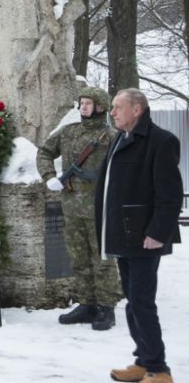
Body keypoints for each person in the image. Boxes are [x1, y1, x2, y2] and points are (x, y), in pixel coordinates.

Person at [97, 88, 182, 383]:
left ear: (137, 109)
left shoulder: (161, 141)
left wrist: (158, 233)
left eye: (118, 107)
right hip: (124, 237)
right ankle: (143, 361)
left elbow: (169, 196)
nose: (112, 112)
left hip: (145, 237)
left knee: (142, 303)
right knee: (133, 302)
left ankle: (159, 370)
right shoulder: (121, 138)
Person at [37, 87, 121, 330]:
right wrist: (48, 175)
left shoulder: (112, 136)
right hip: (72, 205)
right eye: (82, 102)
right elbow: (44, 152)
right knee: (78, 256)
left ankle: (106, 307)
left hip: (100, 207)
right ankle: (87, 303)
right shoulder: (69, 132)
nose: (83, 107)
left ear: (101, 107)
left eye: (89, 103)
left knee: (102, 258)